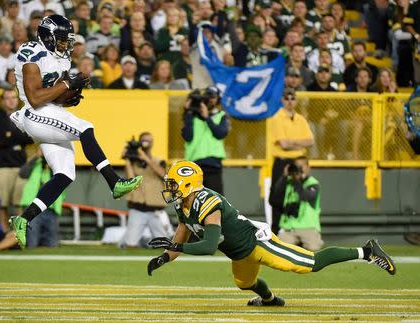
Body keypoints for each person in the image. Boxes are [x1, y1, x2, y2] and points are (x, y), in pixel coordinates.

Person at [146, 160, 396, 307]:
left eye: (172, 183)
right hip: (238, 252)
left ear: (188, 183)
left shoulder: (206, 201)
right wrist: (164, 258)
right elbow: (181, 234)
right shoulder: (184, 204)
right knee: (245, 284)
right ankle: (270, 300)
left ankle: (367, 250)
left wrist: (177, 248)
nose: (169, 188)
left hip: (256, 243)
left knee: (310, 263)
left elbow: (210, 245)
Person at [8, 14, 143, 248]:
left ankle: (23, 219)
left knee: (65, 174)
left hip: (48, 113)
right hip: (34, 113)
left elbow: (57, 97)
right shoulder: (31, 52)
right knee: (86, 128)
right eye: (60, 39)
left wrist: (72, 93)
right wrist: (68, 84)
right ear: (47, 37)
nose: (64, 44)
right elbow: (35, 97)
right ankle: (114, 182)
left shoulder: (62, 59)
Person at [268, 88, 314, 233]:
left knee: (298, 195)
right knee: (277, 196)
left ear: (296, 100)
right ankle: (275, 231)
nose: (289, 101)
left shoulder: (300, 118)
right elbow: (283, 144)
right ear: (282, 100)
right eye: (287, 98)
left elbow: (311, 141)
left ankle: (296, 232)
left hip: (298, 162)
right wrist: (300, 143)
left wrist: (291, 142)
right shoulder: (277, 118)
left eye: (292, 98)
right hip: (282, 161)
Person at [0, 89, 34, 232]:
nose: (11, 100)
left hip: (21, 167)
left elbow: (29, 138)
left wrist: (11, 134)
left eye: (14, 98)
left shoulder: (24, 117)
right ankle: (4, 233)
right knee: (1, 204)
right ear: (3, 101)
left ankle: (18, 234)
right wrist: (18, 135)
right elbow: (1, 139)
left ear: (18, 100)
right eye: (7, 98)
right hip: (3, 167)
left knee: (18, 203)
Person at [122, 132, 173, 248]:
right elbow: (130, 179)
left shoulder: (159, 160)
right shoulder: (134, 162)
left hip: (156, 209)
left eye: (149, 140)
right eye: (144, 140)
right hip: (138, 207)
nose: (146, 143)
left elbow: (164, 175)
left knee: (163, 245)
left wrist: (146, 159)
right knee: (130, 244)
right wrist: (127, 159)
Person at [182, 86, 230, 194]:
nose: (210, 100)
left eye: (213, 97)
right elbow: (187, 136)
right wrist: (188, 112)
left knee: (215, 201)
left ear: (218, 100)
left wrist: (207, 118)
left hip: (213, 165)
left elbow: (220, 133)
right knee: (193, 202)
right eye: (208, 96)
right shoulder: (192, 116)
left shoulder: (221, 116)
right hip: (194, 165)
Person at [269, 156, 323, 251]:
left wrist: (296, 180)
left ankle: (305, 243)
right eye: (297, 167)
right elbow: (275, 195)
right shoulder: (288, 182)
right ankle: (297, 246)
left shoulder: (313, 184)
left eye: (302, 166)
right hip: (289, 228)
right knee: (279, 250)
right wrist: (284, 177)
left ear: (308, 167)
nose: (300, 169)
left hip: (308, 228)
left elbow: (304, 196)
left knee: (313, 249)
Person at [20, 149, 63, 248]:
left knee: (52, 244)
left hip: (51, 209)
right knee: (32, 243)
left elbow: (59, 178)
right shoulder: (36, 163)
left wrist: (52, 161)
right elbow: (22, 174)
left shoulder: (58, 165)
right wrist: (36, 157)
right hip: (33, 207)